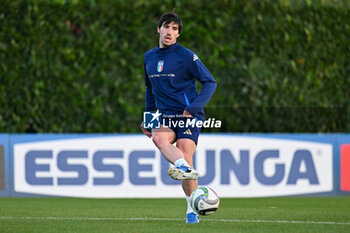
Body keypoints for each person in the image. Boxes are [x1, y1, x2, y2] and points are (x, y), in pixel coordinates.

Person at [140, 12, 216, 224]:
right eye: (167, 27)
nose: (169, 32)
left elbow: (210, 82)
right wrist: (149, 120)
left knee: (184, 149)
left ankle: (191, 209)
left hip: (187, 115)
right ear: (159, 29)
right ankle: (183, 167)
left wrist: (194, 107)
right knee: (159, 139)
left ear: (178, 34)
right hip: (165, 115)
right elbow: (149, 90)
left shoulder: (186, 56)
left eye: (175, 29)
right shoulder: (148, 57)